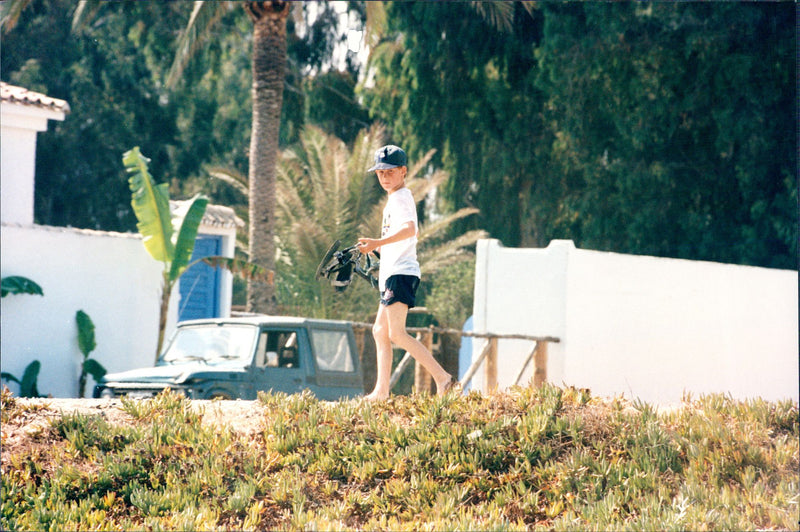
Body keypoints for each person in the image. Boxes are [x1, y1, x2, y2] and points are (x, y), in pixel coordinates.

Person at [357, 145, 456, 400]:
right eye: (380, 172)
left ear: (403, 172)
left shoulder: (401, 197)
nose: (385, 176)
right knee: (379, 331)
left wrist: (377, 243)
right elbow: (404, 237)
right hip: (393, 272)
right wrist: (378, 252)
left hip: (401, 273)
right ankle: (381, 391)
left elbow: (410, 230)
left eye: (390, 171)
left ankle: (443, 378)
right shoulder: (395, 199)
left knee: (397, 333)